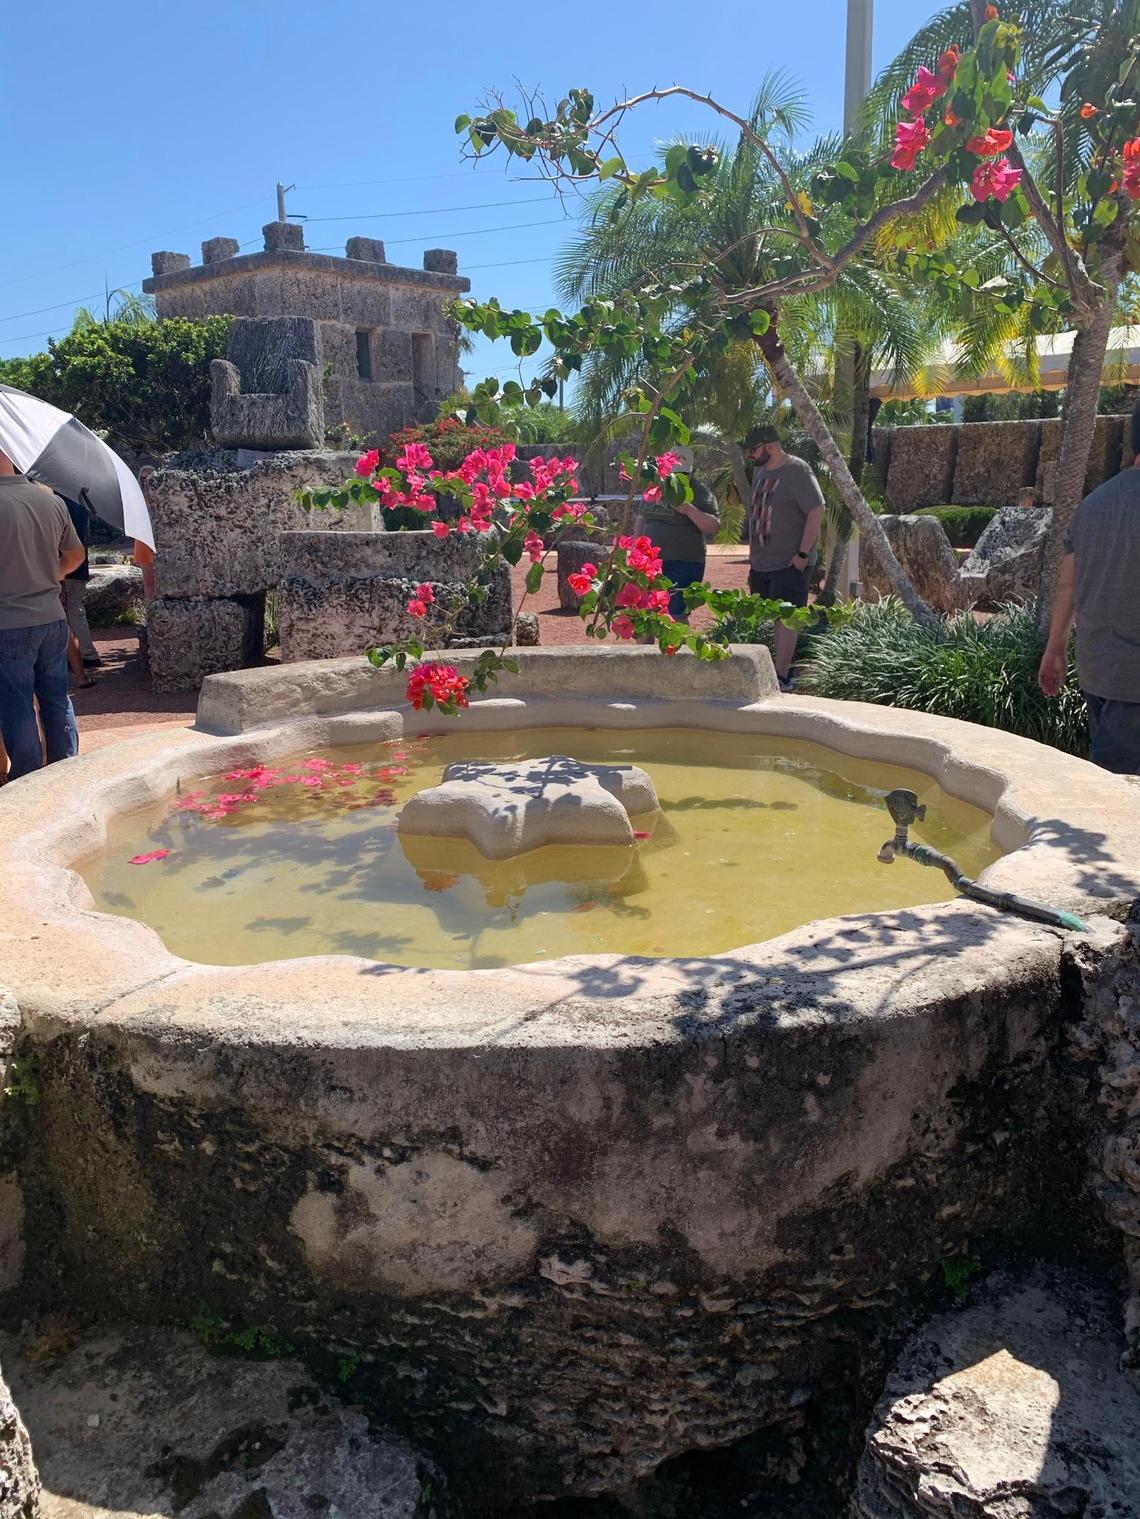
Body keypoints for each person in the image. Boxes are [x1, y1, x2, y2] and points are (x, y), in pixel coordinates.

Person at [1038, 403, 1140, 775]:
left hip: (1097, 670)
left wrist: (1054, 649)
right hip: (1133, 683)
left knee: (1110, 781)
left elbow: (1068, 584)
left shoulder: (1092, 505)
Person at [0, 450, 86, 781]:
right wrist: (53, 574)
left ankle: (28, 780)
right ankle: (66, 772)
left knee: (17, 705)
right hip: (52, 617)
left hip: (8, 622)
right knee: (56, 698)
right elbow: (75, 554)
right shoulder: (49, 500)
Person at [742, 424, 825, 691]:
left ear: (770, 445)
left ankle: (782, 676)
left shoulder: (797, 470)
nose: (749, 455)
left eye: (753, 449)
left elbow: (816, 509)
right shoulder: (760, 471)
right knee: (767, 616)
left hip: (791, 562)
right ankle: (771, 672)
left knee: (786, 618)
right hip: (762, 562)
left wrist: (802, 554)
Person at [634, 446, 720, 621]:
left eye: (682, 472)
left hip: (683, 563)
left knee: (674, 614)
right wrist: (635, 552)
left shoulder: (699, 491)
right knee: (646, 613)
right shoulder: (654, 488)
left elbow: (713, 526)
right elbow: (642, 520)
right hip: (650, 564)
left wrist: (689, 510)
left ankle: (676, 639)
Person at [61, 496, 101, 669]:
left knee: (65, 611)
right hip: (78, 563)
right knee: (75, 608)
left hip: (64, 565)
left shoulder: (57, 500)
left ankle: (80, 654)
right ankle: (87, 653)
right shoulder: (77, 497)